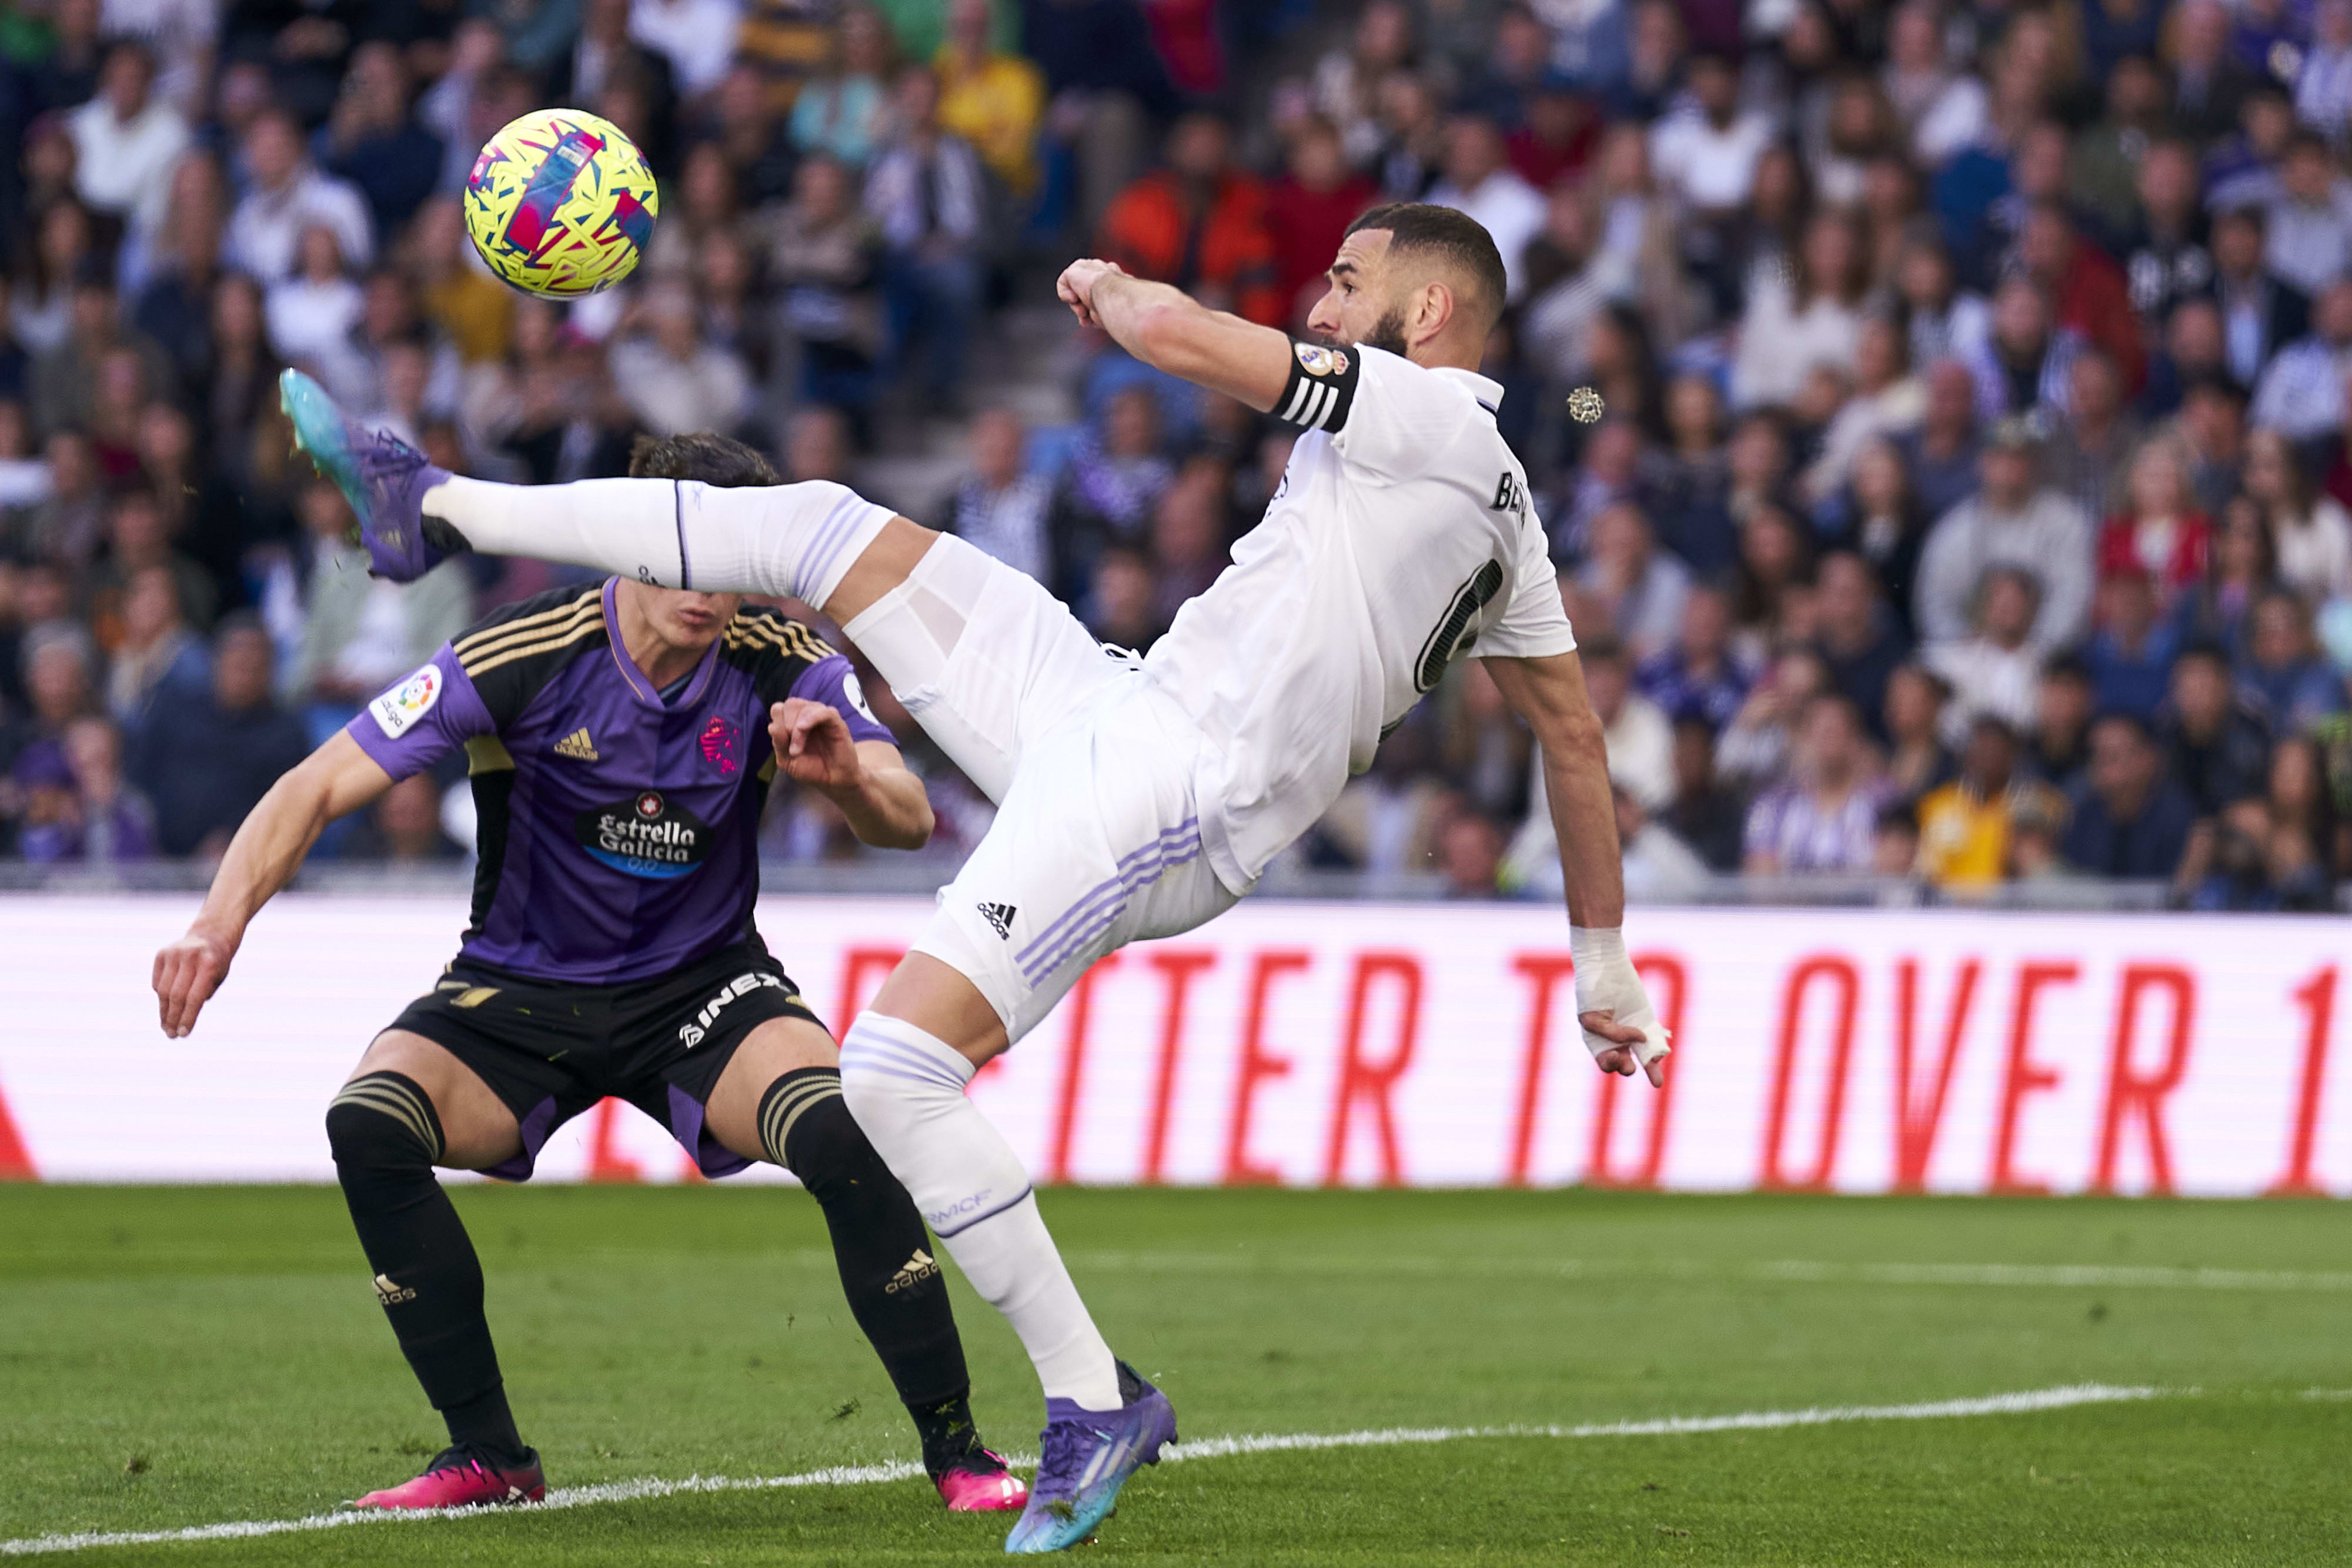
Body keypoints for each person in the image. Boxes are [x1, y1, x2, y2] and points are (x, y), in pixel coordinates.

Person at [278, 200, 1667, 1553]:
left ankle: (1090, 1397)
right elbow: (1571, 737)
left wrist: (1116, 293)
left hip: (1176, 791)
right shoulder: (1508, 518)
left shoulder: (1422, 414)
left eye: (1347, 283)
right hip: (1109, 703)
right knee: (818, 527)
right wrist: (1602, 970)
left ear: (1429, 310)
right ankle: (433, 502)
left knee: (888, 1073)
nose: (1321, 303)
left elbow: (1185, 340)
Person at [149, 434, 1025, 1517]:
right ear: (629, 540)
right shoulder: (520, 651)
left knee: (843, 1127)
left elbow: (909, 814)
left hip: (704, 993)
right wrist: (216, 926)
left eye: (731, 562)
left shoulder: (782, 659)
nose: (708, 591)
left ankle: (959, 1451)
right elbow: (318, 784)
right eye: (686, 557)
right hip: (515, 993)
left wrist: (845, 777)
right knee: (369, 1124)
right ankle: (488, 1454)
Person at [1914, 716, 2067, 890]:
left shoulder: (2038, 805)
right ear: (1966, 755)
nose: (1987, 757)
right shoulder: (1936, 805)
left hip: (2012, 902)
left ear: (2012, 755)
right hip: (1947, 904)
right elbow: (1923, 868)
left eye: (1996, 750)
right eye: (1981, 749)